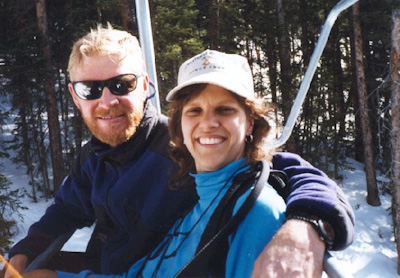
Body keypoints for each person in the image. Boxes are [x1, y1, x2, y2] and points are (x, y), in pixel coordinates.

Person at [6, 26, 354, 278]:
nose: (107, 101)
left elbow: (277, 170)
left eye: (121, 84)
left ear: (144, 86)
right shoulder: (94, 157)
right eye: (90, 89)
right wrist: (25, 253)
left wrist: (306, 224)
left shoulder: (184, 143)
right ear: (74, 95)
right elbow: (64, 212)